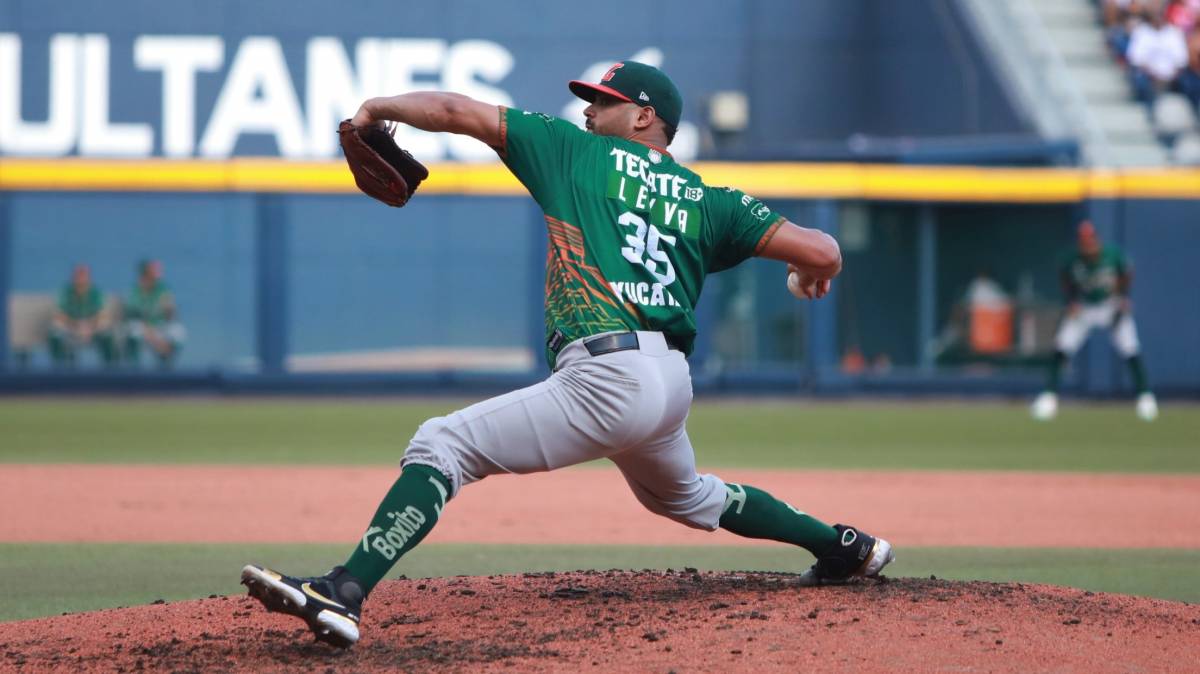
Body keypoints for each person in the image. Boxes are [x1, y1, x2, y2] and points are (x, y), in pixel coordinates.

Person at [241, 61, 894, 648]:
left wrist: (378, 106)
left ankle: (344, 591)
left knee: (442, 446)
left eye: (604, 101)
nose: (587, 110)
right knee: (687, 496)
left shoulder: (574, 151)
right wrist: (802, 276)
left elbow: (452, 113)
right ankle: (843, 546)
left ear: (644, 118)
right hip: (667, 383)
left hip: (608, 376)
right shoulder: (707, 199)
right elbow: (825, 252)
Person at [1031, 221, 1157, 421]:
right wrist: (1071, 301)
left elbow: (1127, 271)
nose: (1087, 243)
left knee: (1130, 347)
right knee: (1062, 347)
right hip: (1085, 307)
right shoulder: (1071, 259)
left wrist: (1123, 296)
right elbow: (1064, 277)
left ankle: (1145, 398)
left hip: (1110, 304)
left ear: (1096, 239)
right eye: (1083, 239)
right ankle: (1049, 398)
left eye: (1090, 239)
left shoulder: (1112, 254)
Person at [47, 263, 117, 366]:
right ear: (73, 277)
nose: (81, 279)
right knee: (55, 329)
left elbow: (103, 314)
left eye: (83, 275)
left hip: (92, 330)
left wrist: (89, 327)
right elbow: (58, 314)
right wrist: (76, 325)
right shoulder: (66, 292)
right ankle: (57, 366)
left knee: (106, 329)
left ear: (89, 278)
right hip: (70, 328)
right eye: (78, 275)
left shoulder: (95, 292)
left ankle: (110, 367)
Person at [122, 259, 185, 368]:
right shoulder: (136, 291)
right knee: (133, 330)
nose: (158, 273)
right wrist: (156, 341)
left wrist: (170, 311)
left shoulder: (162, 289)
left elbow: (171, 313)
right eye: (154, 270)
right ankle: (133, 367)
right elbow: (135, 317)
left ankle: (167, 365)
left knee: (178, 332)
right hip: (144, 328)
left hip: (157, 326)